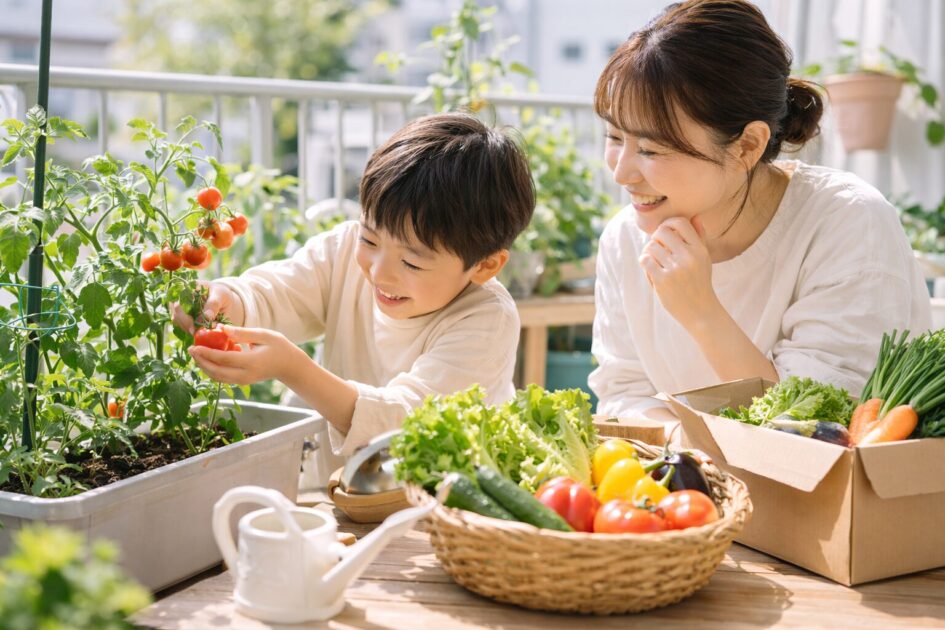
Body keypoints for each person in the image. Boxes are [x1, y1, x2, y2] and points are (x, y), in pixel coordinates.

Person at [588, 0, 932, 423]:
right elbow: (625, 395)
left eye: (651, 149)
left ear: (747, 146)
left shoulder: (849, 225)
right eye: (614, 137)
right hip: (686, 488)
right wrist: (689, 466)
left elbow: (818, 428)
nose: (621, 172)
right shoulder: (626, 238)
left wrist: (702, 313)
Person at [173, 113, 535, 454]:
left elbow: (407, 421)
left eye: (411, 261)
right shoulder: (343, 250)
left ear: (485, 265)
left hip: (435, 505)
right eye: (370, 240)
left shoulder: (486, 320)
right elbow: (278, 293)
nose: (379, 272)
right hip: (341, 498)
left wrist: (292, 369)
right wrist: (226, 298)